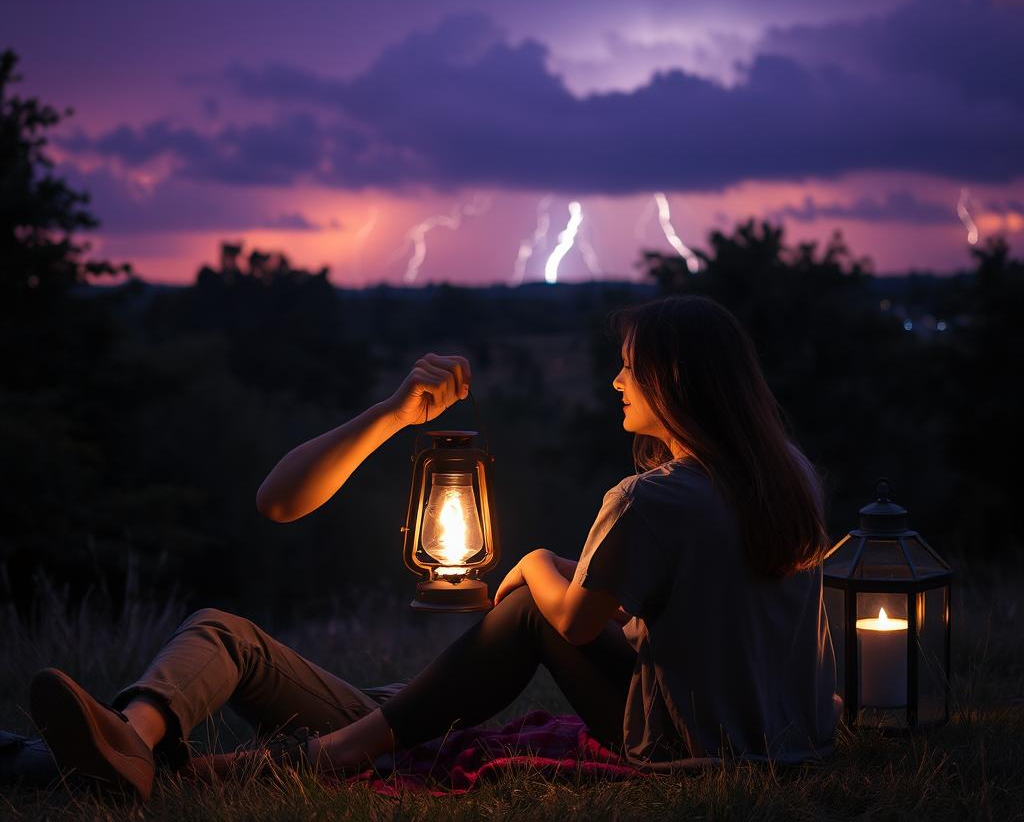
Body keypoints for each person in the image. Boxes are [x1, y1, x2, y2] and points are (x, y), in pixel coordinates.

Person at [28, 296, 837, 800]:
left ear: (674, 384)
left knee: (523, 611)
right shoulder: (790, 476)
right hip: (771, 735)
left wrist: (526, 566)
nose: (615, 384)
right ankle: (132, 739)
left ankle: (157, 753)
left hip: (681, 745)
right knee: (221, 631)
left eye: (628, 370)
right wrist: (392, 413)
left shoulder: (652, 498)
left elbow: (578, 624)